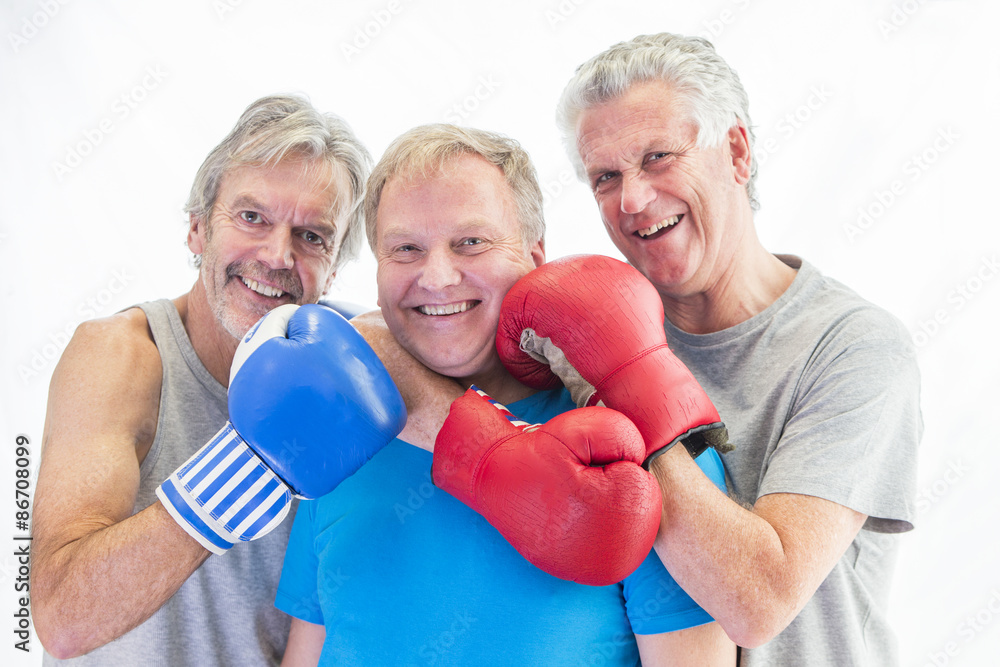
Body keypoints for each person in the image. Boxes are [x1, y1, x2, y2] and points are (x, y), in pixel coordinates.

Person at [275, 124, 736, 666]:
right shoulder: (338, 432)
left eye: (470, 242)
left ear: (535, 256)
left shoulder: (632, 452)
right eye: (406, 248)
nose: (439, 277)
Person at [545, 33, 923, 665]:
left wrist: (614, 385)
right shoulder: (586, 333)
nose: (632, 200)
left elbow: (758, 603)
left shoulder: (852, 347)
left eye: (659, 157)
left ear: (737, 152)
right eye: (605, 177)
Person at [31, 94, 403, 666]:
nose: (278, 255)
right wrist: (253, 458)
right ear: (198, 230)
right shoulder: (122, 355)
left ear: (334, 268)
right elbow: (61, 620)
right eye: (252, 218)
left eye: (312, 236)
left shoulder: (357, 366)